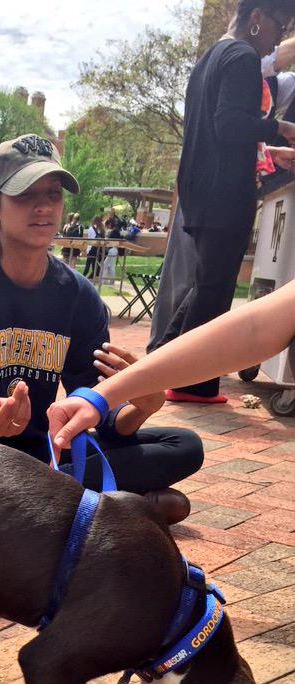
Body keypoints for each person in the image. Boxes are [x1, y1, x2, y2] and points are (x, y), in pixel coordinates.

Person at [0, 134, 203, 522]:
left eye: (53, 194)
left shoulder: (79, 297)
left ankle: (43, 505)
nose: (44, 206)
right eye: (25, 194)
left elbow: (97, 409)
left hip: (35, 452)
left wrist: (141, 406)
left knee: (183, 444)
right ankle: (103, 506)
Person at [147, 0, 295, 404]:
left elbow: (214, 128)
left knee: (206, 283)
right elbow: (229, 124)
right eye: (280, 26)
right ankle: (192, 383)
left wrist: (268, 146)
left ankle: (163, 361)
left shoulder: (211, 57)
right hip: (224, 190)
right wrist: (280, 128)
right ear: (256, 18)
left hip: (198, 188)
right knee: (215, 288)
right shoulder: (243, 56)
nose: (279, 38)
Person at [48, 275, 295, 451]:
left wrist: (133, 402)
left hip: (60, 445)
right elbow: (252, 329)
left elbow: (110, 424)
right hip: (41, 446)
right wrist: (102, 396)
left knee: (183, 445)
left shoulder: (78, 292)